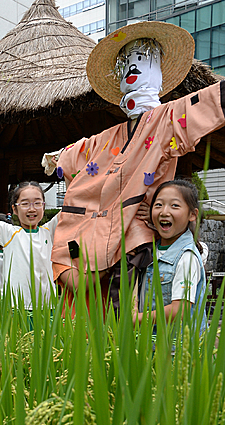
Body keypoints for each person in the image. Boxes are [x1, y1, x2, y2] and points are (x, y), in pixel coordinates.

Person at [42, 20, 225, 309]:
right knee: (79, 288)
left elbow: (204, 104)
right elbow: (82, 149)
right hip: (94, 229)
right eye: (128, 62)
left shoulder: (167, 118)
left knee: (126, 308)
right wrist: (57, 157)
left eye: (141, 60)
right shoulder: (109, 136)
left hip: (137, 229)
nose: (133, 68)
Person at [0, 165, 58, 309]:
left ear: (44, 206)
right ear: (14, 209)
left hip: (47, 308)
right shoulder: (9, 233)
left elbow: (73, 203)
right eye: (25, 204)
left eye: (37, 203)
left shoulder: (49, 231)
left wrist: (66, 165)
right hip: (17, 309)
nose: (32, 208)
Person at [135, 180, 207, 335]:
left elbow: (180, 310)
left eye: (174, 205)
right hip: (151, 345)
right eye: (159, 205)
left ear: (192, 215)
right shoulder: (148, 249)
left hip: (177, 351)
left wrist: (137, 319)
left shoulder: (187, 257)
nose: (164, 212)